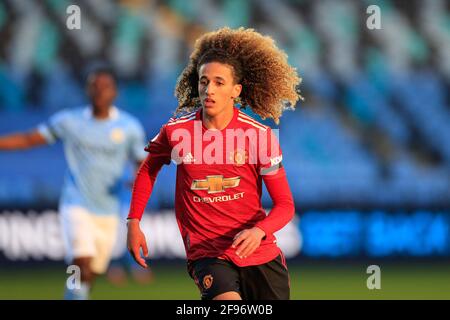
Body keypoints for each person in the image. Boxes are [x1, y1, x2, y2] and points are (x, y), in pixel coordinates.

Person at [127, 27, 303, 300]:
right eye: (203, 81)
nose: (208, 90)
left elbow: (285, 205)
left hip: (259, 253)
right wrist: (133, 222)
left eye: (219, 82)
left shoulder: (259, 137)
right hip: (208, 253)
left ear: (236, 90)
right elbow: (148, 169)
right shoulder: (177, 133)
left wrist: (259, 231)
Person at [0, 67, 148, 300]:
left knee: (90, 274)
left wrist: (134, 179)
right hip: (76, 203)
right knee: (81, 262)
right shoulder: (70, 121)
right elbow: (30, 138)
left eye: (105, 87)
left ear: (115, 93)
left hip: (108, 210)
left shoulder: (129, 127)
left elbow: (142, 161)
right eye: (95, 86)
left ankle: (73, 295)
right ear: (87, 91)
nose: (99, 92)